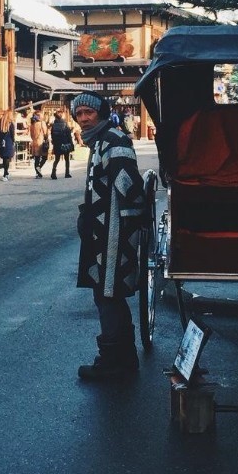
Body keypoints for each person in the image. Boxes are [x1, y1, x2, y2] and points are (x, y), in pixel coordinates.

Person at [71, 91, 145, 380]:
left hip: (114, 232)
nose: (84, 118)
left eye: (89, 112)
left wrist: (125, 229)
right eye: (79, 114)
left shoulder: (114, 141)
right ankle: (124, 358)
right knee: (108, 293)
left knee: (107, 293)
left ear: (101, 113)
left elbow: (129, 185)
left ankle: (113, 361)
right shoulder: (101, 140)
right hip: (102, 229)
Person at [49, 110, 75, 179]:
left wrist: (54, 142)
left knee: (57, 159)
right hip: (65, 143)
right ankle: (67, 173)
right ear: (61, 116)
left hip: (57, 144)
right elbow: (69, 135)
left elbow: (52, 135)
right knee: (67, 159)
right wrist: (71, 143)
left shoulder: (53, 125)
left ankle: (53, 173)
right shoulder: (65, 124)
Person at [0, 111, 16, 181]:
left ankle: (6, 173)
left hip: (2, 142)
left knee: (4, 158)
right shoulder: (10, 124)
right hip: (9, 142)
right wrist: (13, 141)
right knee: (7, 158)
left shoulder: (0, 122)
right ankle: (6, 173)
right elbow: (12, 134)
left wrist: (1, 137)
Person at [30, 111, 50, 178]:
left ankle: (37, 173)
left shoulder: (32, 124)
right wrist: (46, 138)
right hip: (41, 143)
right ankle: (39, 168)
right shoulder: (42, 123)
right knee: (44, 157)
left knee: (37, 158)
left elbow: (31, 135)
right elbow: (45, 133)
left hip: (34, 142)